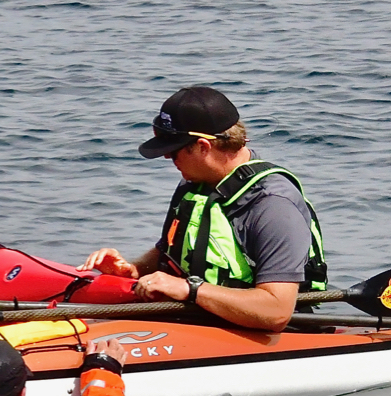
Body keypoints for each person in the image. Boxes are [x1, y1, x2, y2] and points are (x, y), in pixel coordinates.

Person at [80, 86, 327, 332]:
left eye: (173, 151)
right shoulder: (196, 184)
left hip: (264, 336)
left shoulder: (273, 205)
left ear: (203, 147)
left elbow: (276, 311)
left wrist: (191, 289)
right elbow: (171, 250)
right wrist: (133, 270)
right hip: (201, 322)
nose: (167, 159)